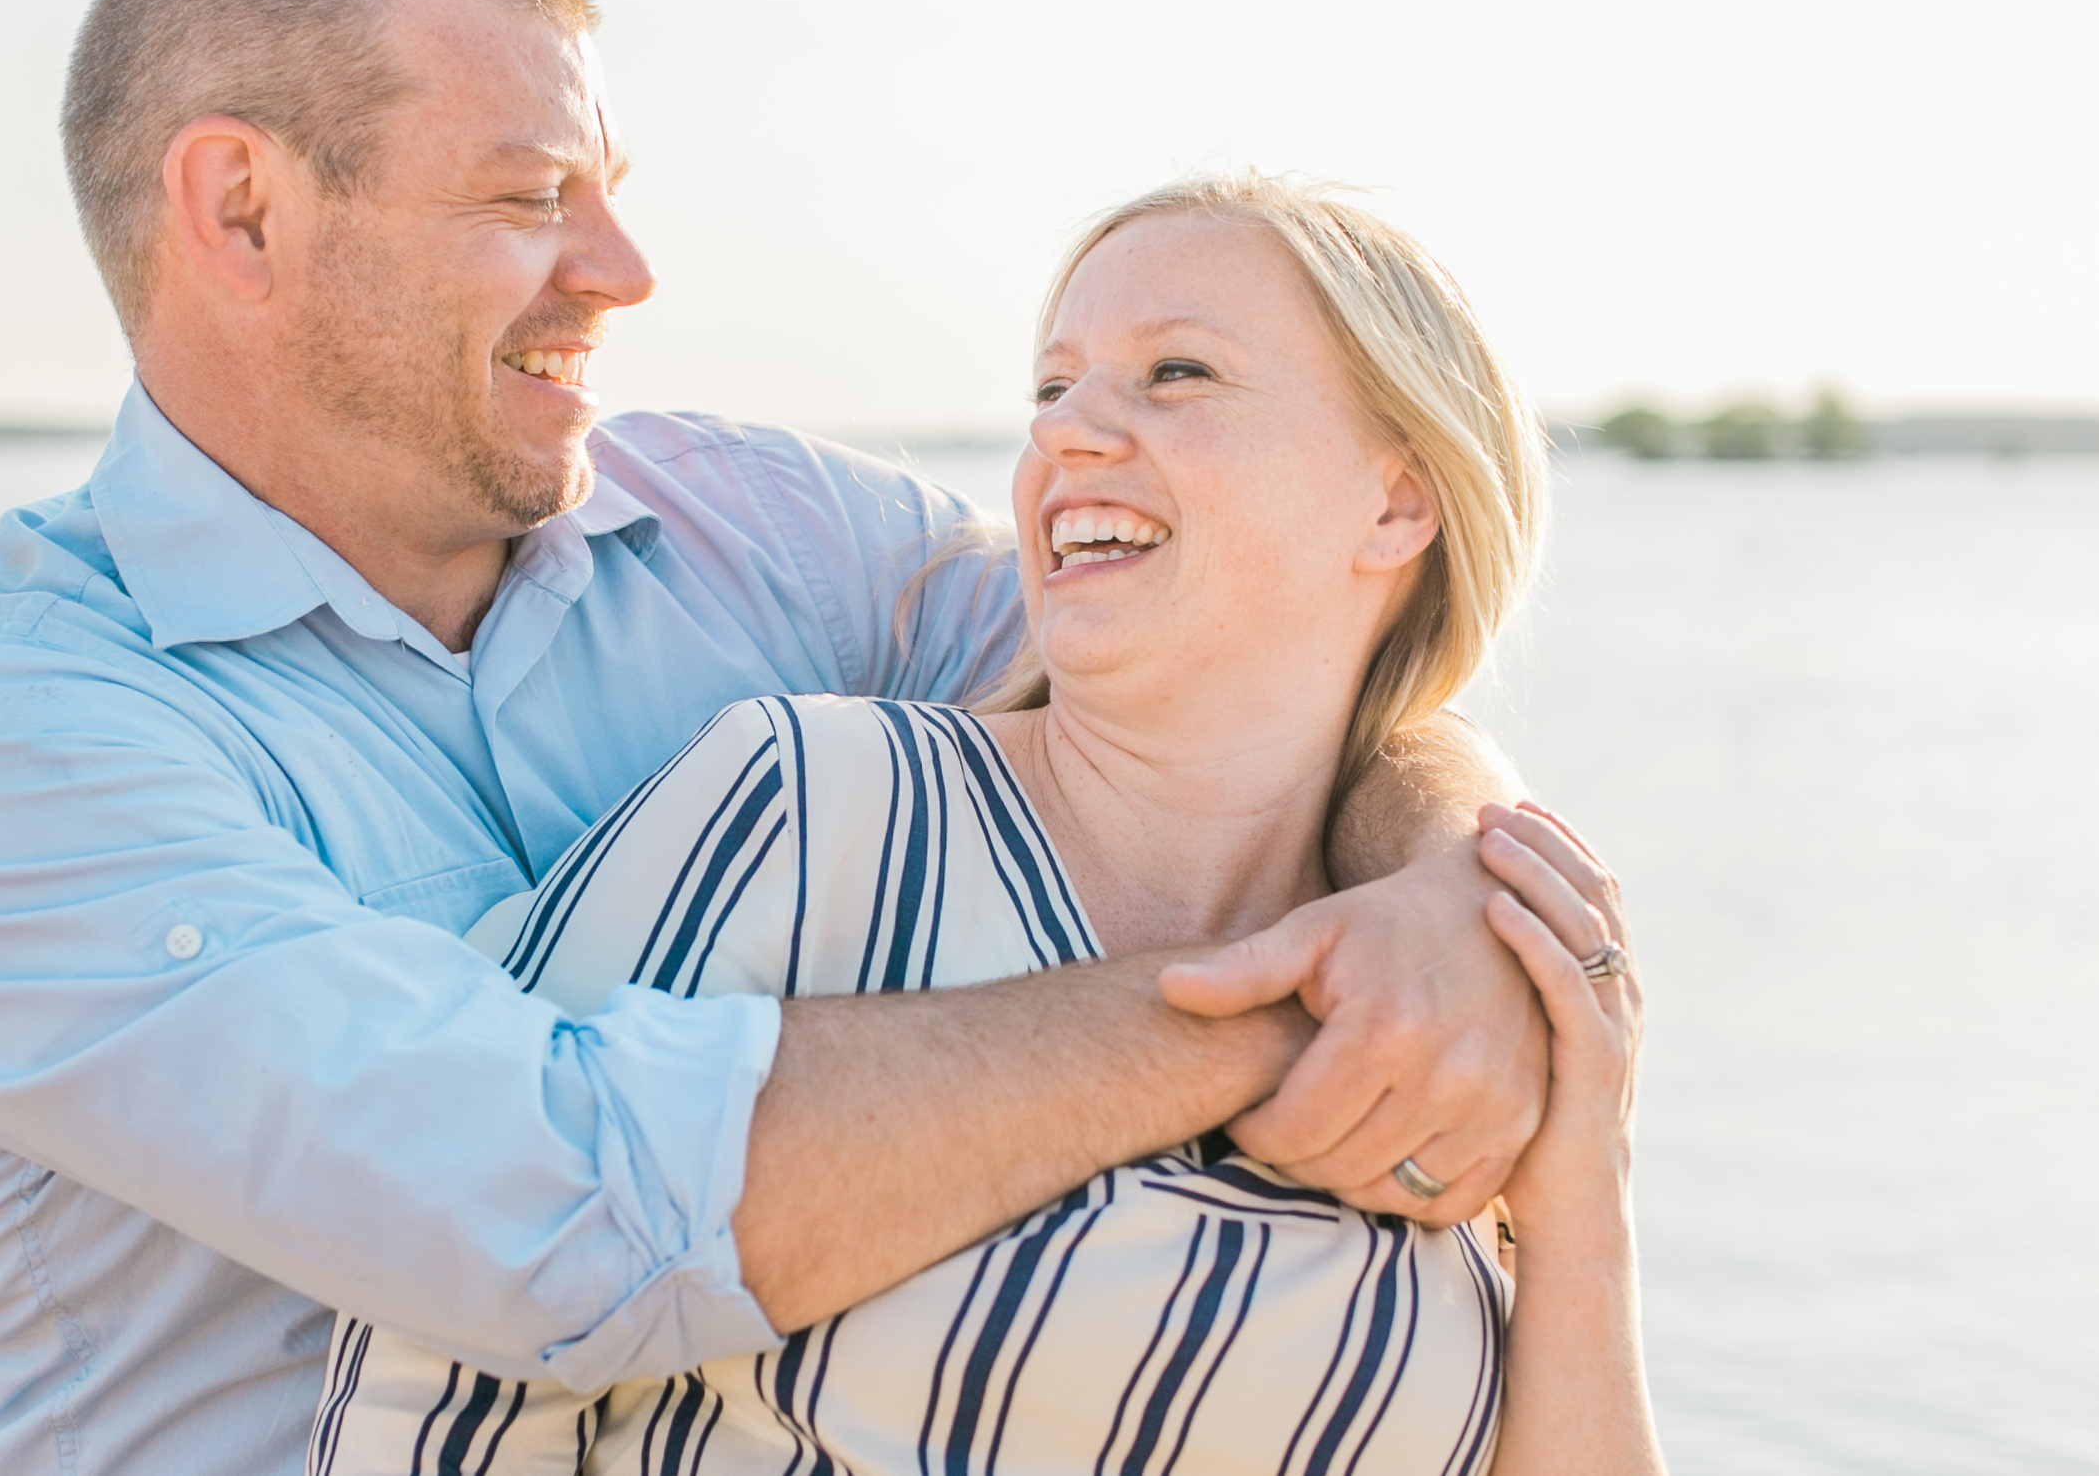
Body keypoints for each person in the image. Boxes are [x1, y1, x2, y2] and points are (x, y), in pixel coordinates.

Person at [0, 0, 1613, 1475]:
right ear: (245, 209)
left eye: (614, 196)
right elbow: (560, 1222)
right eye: (531, 197)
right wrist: (1287, 1009)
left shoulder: (770, 537)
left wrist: (1453, 888)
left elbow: (1252, 666)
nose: (625, 272)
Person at [306, 176, 1661, 1475]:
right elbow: (437, 1352)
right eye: (1053, 388)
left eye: (1176, 374)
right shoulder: (810, 807)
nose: (1068, 431)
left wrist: (1582, 1198)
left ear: (1398, 500)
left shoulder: (1473, 997)